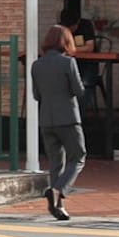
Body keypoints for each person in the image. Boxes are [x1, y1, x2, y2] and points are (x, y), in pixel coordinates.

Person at [31, 24, 87, 221]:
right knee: (78, 157)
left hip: (46, 119)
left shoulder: (36, 65)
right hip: (69, 119)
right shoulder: (68, 63)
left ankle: (58, 207)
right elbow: (78, 91)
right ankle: (58, 190)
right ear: (66, 41)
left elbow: (36, 95)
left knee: (56, 163)